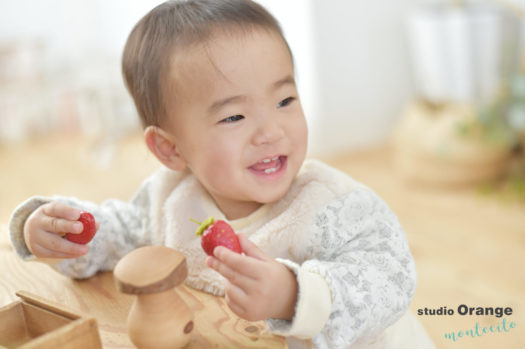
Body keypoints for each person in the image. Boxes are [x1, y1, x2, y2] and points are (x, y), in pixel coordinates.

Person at [9, 1, 435, 348]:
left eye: (285, 100)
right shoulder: (169, 198)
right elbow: (123, 235)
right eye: (234, 116)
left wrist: (293, 294)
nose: (271, 131)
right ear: (170, 148)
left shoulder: (334, 205)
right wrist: (66, 232)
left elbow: (390, 279)